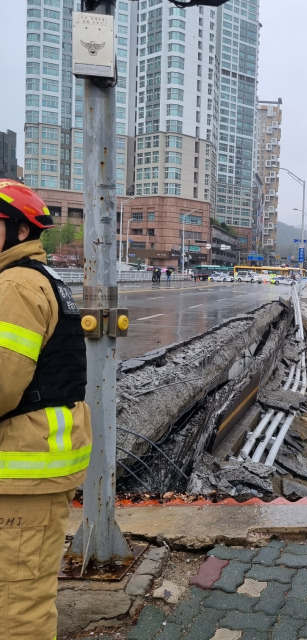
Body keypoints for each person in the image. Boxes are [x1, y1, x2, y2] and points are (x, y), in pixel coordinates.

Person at [0, 180, 92, 640]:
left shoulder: (15, 286)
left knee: (17, 605)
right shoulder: (38, 278)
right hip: (31, 468)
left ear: (19, 230)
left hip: (21, 474)